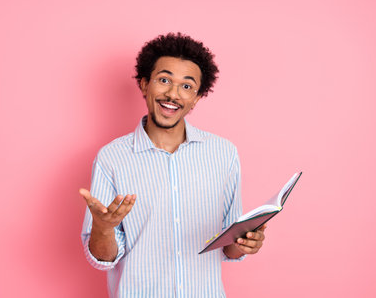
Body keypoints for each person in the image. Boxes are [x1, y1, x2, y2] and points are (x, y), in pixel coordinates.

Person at [80, 32, 266, 298]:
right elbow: (102, 258)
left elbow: (227, 247)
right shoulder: (112, 158)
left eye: (187, 86)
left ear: (198, 97)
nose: (173, 94)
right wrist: (104, 227)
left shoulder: (223, 153)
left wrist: (245, 243)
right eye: (164, 80)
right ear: (144, 84)